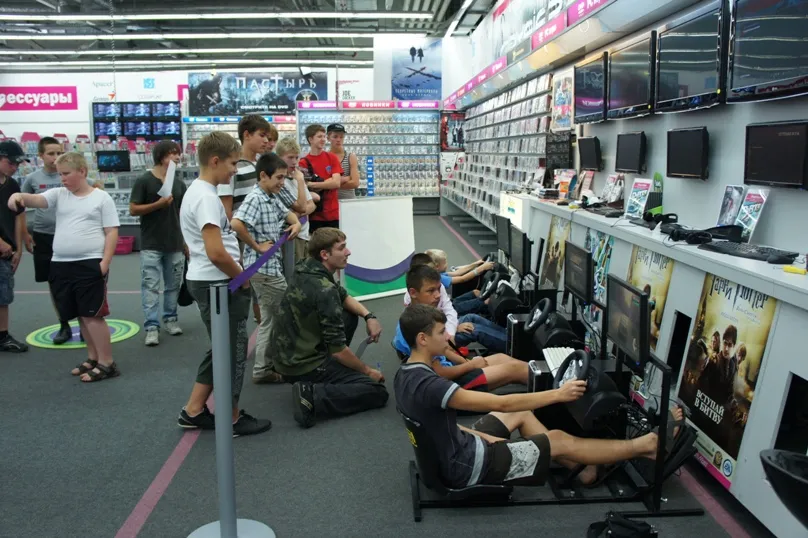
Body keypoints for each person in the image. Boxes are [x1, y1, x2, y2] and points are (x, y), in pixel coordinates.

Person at [396, 304, 678, 489]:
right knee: (557, 438)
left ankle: (583, 470)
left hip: (453, 453)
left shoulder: (405, 374)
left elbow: (438, 426)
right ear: (422, 339)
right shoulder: (432, 385)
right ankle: (646, 445)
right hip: (468, 467)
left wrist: (483, 438)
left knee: (519, 414)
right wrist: (558, 394)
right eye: (440, 332)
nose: (447, 337)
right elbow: (502, 401)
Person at [176, 131, 271, 436]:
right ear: (215, 160)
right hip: (218, 284)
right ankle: (230, 417)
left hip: (212, 280)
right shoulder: (206, 198)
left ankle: (193, 409)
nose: (234, 170)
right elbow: (216, 252)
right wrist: (241, 278)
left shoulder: (200, 192)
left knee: (222, 348)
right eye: (232, 163)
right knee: (232, 352)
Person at [9, 152, 120, 378]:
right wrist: (17, 196)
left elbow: (111, 231)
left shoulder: (101, 198)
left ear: (82, 171)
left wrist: (104, 263)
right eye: (60, 174)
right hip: (61, 263)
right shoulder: (59, 194)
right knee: (80, 315)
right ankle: (93, 357)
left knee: (92, 315)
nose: (63, 179)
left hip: (90, 263)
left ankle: (107, 363)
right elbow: (35, 200)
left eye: (66, 174)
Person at [270, 227, 389, 428]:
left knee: (350, 315)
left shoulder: (306, 267)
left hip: (285, 357)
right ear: (325, 254)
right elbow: (338, 350)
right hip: (302, 365)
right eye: (342, 248)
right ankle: (312, 396)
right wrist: (368, 371)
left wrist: (369, 316)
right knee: (376, 391)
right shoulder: (324, 290)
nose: (348, 252)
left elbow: (343, 296)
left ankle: (327, 375)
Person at [394, 265, 528, 391]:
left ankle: (534, 368)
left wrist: (467, 362)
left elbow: (445, 350)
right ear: (413, 293)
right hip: (447, 382)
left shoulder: (423, 315)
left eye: (438, 289)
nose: (438, 295)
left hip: (450, 369)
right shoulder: (416, 328)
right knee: (515, 370)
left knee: (502, 358)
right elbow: (441, 373)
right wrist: (470, 366)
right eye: (431, 291)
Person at [231, 153, 301, 384]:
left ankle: (263, 367)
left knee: (270, 319)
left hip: (268, 268)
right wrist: (257, 246)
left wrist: (296, 223)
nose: (282, 182)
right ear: (263, 175)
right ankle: (272, 365)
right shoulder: (256, 198)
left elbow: (288, 213)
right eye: (279, 177)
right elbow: (236, 223)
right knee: (285, 315)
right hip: (264, 270)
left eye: (284, 177)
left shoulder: (270, 196)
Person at [129, 140, 187, 346]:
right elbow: (133, 209)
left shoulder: (179, 184)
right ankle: (151, 326)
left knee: (173, 285)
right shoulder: (144, 180)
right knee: (150, 286)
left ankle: (170, 318)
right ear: (162, 156)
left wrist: (186, 242)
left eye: (178, 153)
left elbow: (183, 214)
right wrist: (158, 204)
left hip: (175, 242)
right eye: (173, 153)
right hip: (151, 243)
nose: (178, 157)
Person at [218, 114, 272, 324]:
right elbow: (226, 211)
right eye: (262, 135)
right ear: (247, 135)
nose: (266, 141)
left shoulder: (260, 166)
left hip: (262, 240)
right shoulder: (234, 167)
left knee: (262, 293)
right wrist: (236, 245)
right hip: (242, 241)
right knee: (242, 295)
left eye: (267, 136)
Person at [20, 137, 71, 344]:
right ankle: (64, 324)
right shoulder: (32, 179)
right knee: (54, 282)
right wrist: (25, 233)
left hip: (69, 235)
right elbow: (20, 205)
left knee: (75, 279)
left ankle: (84, 322)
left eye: (59, 153)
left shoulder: (69, 175)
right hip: (44, 236)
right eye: (51, 153)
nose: (55, 157)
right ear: (40, 155)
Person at [409, 252, 507, 353]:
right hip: (438, 337)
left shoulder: (435, 286)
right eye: (431, 291)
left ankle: (509, 336)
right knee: (473, 330)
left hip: (443, 327)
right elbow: (430, 335)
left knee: (471, 317)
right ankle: (511, 346)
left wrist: (452, 329)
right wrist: (452, 331)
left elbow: (447, 310)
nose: (438, 295)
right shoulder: (416, 315)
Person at [0, 141, 29, 353]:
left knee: (4, 293)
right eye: (11, 163)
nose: (15, 167)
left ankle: (3, 336)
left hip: (7, 251)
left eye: (17, 164)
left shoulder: (12, 186)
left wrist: (19, 248)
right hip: (2, 246)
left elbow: (19, 217)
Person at [275, 137, 318, 262]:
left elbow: (311, 205)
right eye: (290, 157)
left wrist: (295, 215)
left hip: (304, 233)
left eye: (296, 157)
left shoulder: (296, 175)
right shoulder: (280, 181)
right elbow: (304, 207)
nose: (294, 162)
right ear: (279, 158)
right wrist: (300, 181)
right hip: (291, 236)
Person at [299, 124, 342, 232]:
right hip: (314, 215)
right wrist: (327, 182)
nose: (323, 139)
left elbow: (336, 183)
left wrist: (313, 184)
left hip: (332, 213)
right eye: (319, 136)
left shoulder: (331, 157)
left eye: (324, 136)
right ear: (310, 139)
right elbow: (303, 187)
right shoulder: (303, 162)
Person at [425, 249, 493, 316]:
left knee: (476, 292)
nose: (447, 264)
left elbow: (457, 273)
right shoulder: (439, 278)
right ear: (437, 267)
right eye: (445, 262)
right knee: (486, 302)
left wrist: (476, 264)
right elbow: (462, 279)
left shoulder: (439, 273)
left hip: (448, 302)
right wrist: (482, 268)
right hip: (449, 309)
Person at [326, 124, 360, 201]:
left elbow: (355, 183)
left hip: (349, 201)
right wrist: (347, 178)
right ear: (328, 138)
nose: (338, 140)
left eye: (341, 137)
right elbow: (323, 181)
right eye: (335, 137)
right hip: (330, 202)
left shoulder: (351, 157)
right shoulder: (324, 157)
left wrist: (332, 184)